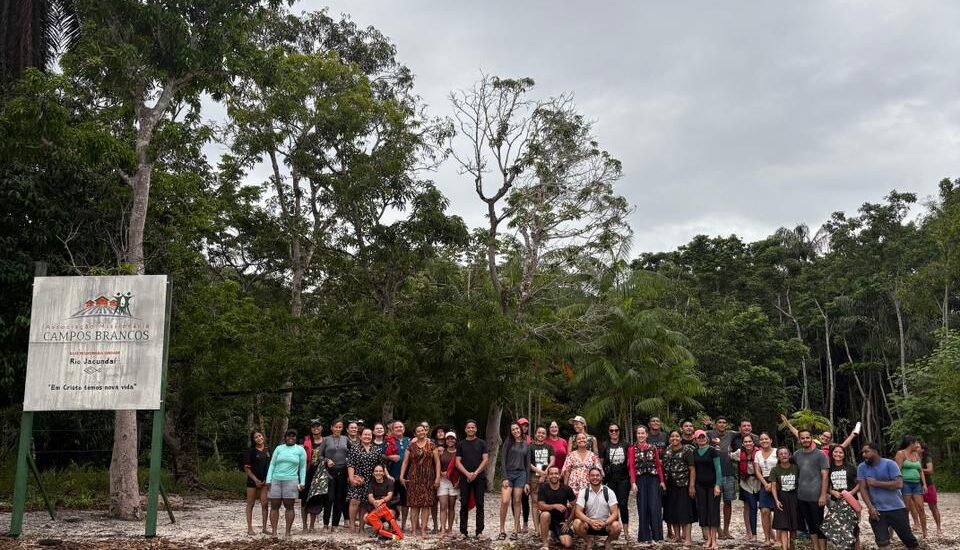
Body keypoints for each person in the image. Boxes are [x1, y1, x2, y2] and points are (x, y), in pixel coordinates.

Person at [857, 441, 920, 550]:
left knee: (908, 539)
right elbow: (863, 488)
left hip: (897, 508)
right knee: (882, 542)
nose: (864, 455)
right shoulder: (862, 467)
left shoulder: (889, 464)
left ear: (875, 451)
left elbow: (899, 484)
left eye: (867, 452)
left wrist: (876, 483)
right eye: (862, 453)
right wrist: (870, 508)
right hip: (877, 511)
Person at [265, 429, 307, 539]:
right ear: (285, 437)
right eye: (288, 436)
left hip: (291, 480)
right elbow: (272, 464)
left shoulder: (300, 450)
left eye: (293, 436)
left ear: (296, 438)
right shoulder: (279, 448)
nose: (291, 438)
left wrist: (302, 482)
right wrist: (268, 480)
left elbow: (302, 467)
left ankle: (287, 532)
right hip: (276, 480)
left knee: (289, 506)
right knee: (274, 506)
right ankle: (274, 532)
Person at [399, 423, 437, 537]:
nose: (421, 432)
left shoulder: (432, 445)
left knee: (426, 505)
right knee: (414, 505)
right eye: (418, 431)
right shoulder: (411, 446)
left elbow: (437, 462)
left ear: (426, 431)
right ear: (415, 434)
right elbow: (405, 461)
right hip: (414, 477)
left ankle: (423, 530)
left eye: (422, 430)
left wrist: (438, 478)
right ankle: (414, 530)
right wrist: (402, 476)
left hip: (428, 477)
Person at [794, 429, 829, 550]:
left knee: (819, 524)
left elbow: (825, 476)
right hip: (801, 496)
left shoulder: (820, 455)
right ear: (799, 440)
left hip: (817, 497)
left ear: (812, 438)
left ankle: (823, 548)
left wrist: (823, 495)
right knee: (810, 524)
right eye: (802, 438)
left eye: (807, 437)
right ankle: (815, 547)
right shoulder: (797, 454)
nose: (805, 440)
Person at [820, 445, 860, 550]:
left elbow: (860, 483)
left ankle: (856, 547)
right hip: (835, 502)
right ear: (832, 453)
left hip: (851, 501)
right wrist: (832, 492)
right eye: (835, 452)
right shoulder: (829, 468)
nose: (838, 454)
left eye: (840, 452)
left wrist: (851, 493)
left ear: (844, 454)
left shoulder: (850, 467)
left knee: (853, 527)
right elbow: (826, 485)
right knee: (837, 528)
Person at [572, 466, 622, 550]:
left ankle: (608, 541)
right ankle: (588, 541)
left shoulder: (609, 492)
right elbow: (578, 512)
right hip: (589, 523)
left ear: (601, 477)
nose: (595, 477)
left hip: (605, 524)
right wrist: (590, 522)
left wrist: (605, 523)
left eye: (597, 475)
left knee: (616, 526)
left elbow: (615, 513)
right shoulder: (583, 492)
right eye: (592, 475)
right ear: (589, 477)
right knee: (576, 523)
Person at [456, 419, 490, 539]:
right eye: (468, 427)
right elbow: (457, 462)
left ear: (476, 429)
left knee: (480, 504)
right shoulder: (461, 444)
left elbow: (485, 459)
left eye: (473, 427)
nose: (471, 429)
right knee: (464, 504)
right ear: (465, 429)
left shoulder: (482, 443)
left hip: (479, 477)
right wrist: (467, 474)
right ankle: (463, 532)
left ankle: (479, 532)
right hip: (465, 478)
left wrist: (475, 473)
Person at [662, 430, 696, 545]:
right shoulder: (667, 450)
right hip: (670, 485)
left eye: (677, 436)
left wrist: (691, 486)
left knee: (685, 511)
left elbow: (692, 468)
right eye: (672, 436)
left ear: (681, 438)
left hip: (684, 484)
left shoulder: (687, 450)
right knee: (673, 511)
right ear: (669, 438)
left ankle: (688, 538)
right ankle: (677, 536)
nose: (674, 438)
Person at [498, 422, 531, 540]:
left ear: (521, 430)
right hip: (509, 474)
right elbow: (502, 461)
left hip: (521, 475)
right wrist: (505, 478)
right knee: (505, 501)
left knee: (517, 501)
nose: (515, 431)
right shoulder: (508, 443)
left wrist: (527, 482)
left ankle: (515, 530)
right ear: (511, 432)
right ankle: (502, 530)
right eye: (513, 430)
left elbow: (527, 465)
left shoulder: (526, 445)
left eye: (517, 428)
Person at [347, 427, 383, 533]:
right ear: (360, 436)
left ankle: (362, 527)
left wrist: (386, 476)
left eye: (369, 435)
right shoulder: (355, 448)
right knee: (355, 501)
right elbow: (350, 464)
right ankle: (352, 526)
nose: (367, 436)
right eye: (365, 434)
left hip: (371, 480)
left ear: (372, 437)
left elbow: (381, 465)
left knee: (364, 504)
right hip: (358, 479)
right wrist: (351, 478)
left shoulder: (377, 449)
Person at [689, 429, 721, 550]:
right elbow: (693, 470)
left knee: (713, 512)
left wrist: (718, 485)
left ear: (706, 438)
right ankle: (708, 539)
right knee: (704, 512)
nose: (701, 438)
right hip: (700, 486)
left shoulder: (712, 451)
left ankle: (714, 540)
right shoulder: (695, 452)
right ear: (695, 440)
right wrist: (693, 486)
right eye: (699, 437)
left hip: (712, 485)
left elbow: (718, 469)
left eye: (703, 436)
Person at [706, 416, 737, 540]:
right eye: (719, 422)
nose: (722, 424)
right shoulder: (709, 433)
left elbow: (746, 434)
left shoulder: (731, 434)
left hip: (729, 473)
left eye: (724, 423)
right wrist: (707, 426)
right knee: (715, 503)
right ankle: (718, 529)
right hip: (714, 474)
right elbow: (697, 436)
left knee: (728, 502)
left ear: (727, 425)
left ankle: (726, 530)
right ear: (715, 424)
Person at [598, 423, 630, 537]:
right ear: (608, 432)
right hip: (610, 479)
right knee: (612, 505)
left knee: (623, 504)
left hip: (624, 479)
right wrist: (601, 479)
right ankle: (615, 529)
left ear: (619, 431)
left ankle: (626, 531)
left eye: (616, 430)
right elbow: (600, 463)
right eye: (611, 430)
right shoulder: (604, 445)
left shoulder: (626, 444)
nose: (614, 432)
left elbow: (629, 463)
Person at [895, 436, 928, 539]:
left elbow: (920, 470)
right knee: (906, 509)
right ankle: (906, 532)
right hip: (906, 484)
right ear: (910, 443)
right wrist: (898, 484)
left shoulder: (916, 454)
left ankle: (925, 532)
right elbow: (898, 469)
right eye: (916, 444)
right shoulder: (901, 453)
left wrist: (924, 484)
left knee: (921, 508)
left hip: (917, 484)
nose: (918, 446)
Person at [729, 433, 760, 542]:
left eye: (749, 441)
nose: (748, 444)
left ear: (753, 442)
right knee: (752, 507)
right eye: (745, 442)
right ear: (742, 443)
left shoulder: (759, 453)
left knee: (765, 509)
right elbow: (728, 455)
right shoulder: (739, 453)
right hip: (746, 483)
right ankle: (753, 534)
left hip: (759, 482)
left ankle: (770, 534)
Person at [537, 466, 576, 550]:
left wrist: (568, 522)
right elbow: (540, 506)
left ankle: (555, 534)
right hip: (548, 520)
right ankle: (545, 544)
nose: (553, 475)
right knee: (545, 514)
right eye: (551, 474)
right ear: (548, 476)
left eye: (556, 473)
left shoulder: (566, 489)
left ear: (560, 475)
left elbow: (575, 506)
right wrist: (554, 506)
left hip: (561, 521)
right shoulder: (543, 488)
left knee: (567, 544)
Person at [301, 420, 329, 532]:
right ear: (310, 428)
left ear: (321, 428)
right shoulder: (305, 441)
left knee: (315, 499)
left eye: (318, 426)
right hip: (307, 472)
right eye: (313, 426)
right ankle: (304, 526)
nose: (315, 428)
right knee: (304, 500)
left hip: (320, 474)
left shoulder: (326, 441)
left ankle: (312, 526)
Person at [770, 447, 800, 550]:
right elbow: (773, 486)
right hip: (782, 498)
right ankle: (784, 547)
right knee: (783, 526)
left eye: (785, 453)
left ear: (789, 455)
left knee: (794, 526)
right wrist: (776, 500)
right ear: (778, 456)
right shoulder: (775, 470)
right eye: (781, 454)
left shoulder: (795, 468)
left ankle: (793, 547)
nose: (783, 455)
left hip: (794, 498)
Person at [323, 419, 350, 530]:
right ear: (331, 427)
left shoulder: (346, 439)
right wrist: (327, 460)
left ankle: (335, 524)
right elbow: (320, 456)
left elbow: (353, 452)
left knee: (340, 498)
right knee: (329, 498)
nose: (338, 429)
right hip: (330, 471)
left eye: (340, 427)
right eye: (336, 427)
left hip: (343, 471)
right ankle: (325, 524)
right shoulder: (326, 439)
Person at [243, 430, 271, 535]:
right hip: (252, 481)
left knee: (265, 504)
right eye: (256, 437)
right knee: (250, 504)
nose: (259, 438)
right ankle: (250, 528)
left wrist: (267, 480)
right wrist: (255, 480)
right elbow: (247, 469)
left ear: (263, 436)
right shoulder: (249, 451)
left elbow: (271, 466)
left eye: (260, 436)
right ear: (253, 440)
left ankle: (264, 528)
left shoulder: (269, 450)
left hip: (264, 482)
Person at [529, 425, 556, 535]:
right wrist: (540, 472)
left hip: (547, 476)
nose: (541, 435)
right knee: (535, 503)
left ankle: (550, 528)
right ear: (535, 434)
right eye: (539, 433)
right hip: (535, 477)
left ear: (546, 435)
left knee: (550, 501)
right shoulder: (530, 447)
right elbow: (528, 463)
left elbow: (552, 461)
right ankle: (537, 529)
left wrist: (545, 473)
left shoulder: (549, 447)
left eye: (543, 433)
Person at [754, 432, 779, 546]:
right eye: (762, 439)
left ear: (771, 440)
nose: (764, 441)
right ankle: (767, 539)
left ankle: (779, 539)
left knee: (779, 511)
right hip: (764, 482)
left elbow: (782, 466)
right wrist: (765, 484)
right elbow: (757, 471)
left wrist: (774, 484)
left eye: (766, 439)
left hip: (778, 482)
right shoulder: (758, 454)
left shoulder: (777, 451)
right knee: (765, 511)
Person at [365, 464, 403, 540]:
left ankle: (391, 528)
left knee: (391, 513)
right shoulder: (371, 484)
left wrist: (382, 501)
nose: (378, 473)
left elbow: (390, 495)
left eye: (380, 471)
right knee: (366, 518)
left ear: (383, 473)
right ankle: (379, 529)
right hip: (376, 507)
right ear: (373, 473)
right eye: (376, 471)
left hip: (388, 506)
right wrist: (374, 502)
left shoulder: (389, 482)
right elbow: (370, 497)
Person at [385, 421, 411, 531]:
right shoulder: (388, 441)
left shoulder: (409, 441)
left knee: (406, 501)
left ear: (404, 429)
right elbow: (380, 456)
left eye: (401, 427)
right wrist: (390, 457)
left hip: (406, 476)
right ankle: (392, 524)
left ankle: (404, 525)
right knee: (391, 502)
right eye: (396, 427)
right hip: (392, 476)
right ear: (393, 429)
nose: (399, 428)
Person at [435, 431, 459, 538]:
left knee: (452, 506)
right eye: (448, 438)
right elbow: (437, 465)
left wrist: (459, 481)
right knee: (443, 505)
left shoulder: (458, 452)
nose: (450, 440)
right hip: (443, 481)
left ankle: (450, 529)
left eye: (452, 438)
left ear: (455, 440)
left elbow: (461, 467)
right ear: (445, 440)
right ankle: (443, 529)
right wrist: (440, 474)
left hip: (454, 481)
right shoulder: (442, 452)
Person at [920, 443, 943, 536]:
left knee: (933, 507)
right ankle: (922, 528)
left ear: (922, 450)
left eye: (918, 447)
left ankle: (938, 528)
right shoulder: (912, 457)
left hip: (929, 485)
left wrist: (920, 469)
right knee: (919, 508)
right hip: (917, 485)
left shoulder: (927, 458)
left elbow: (930, 470)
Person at [517, 417, 533, 532]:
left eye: (526, 426)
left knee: (524, 499)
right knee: (515, 499)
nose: (525, 427)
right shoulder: (512, 439)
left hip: (526, 471)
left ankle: (525, 523)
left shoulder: (529, 439)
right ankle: (516, 522)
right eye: (522, 425)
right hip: (514, 471)